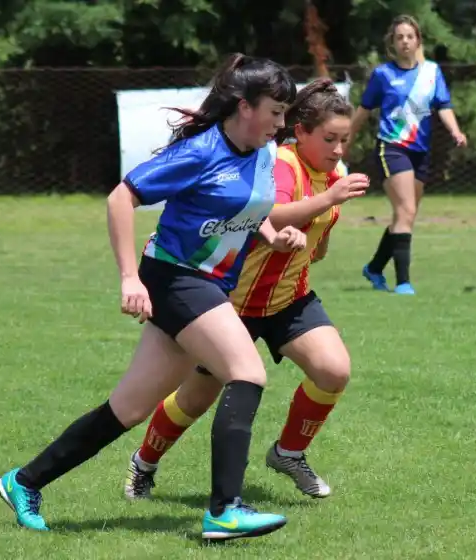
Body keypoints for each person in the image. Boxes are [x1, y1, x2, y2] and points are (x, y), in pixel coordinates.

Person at [0, 53, 308, 542]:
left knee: (129, 408)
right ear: (244, 106)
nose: (280, 122)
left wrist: (272, 236)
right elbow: (122, 197)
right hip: (175, 278)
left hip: (204, 283)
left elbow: (249, 209)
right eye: (274, 110)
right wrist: (128, 279)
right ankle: (225, 510)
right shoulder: (201, 152)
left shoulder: (263, 153)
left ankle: (24, 481)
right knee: (246, 372)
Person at [123, 78, 369, 503]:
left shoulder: (335, 175)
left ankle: (289, 453)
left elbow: (318, 233)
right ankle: (143, 464)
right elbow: (273, 212)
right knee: (196, 399)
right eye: (329, 139)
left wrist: (321, 233)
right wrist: (328, 200)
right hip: (231, 302)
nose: (338, 150)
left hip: (288, 298)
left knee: (334, 370)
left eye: (345, 140)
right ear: (301, 133)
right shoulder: (281, 165)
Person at [349, 14, 467, 295]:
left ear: (418, 41)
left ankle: (375, 268)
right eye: (399, 37)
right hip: (391, 147)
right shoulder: (383, 74)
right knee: (406, 210)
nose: (405, 41)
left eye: (409, 36)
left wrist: (456, 131)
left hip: (419, 152)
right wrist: (345, 142)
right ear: (393, 42)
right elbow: (363, 112)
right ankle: (403, 282)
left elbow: (444, 105)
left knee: (405, 216)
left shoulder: (431, 72)